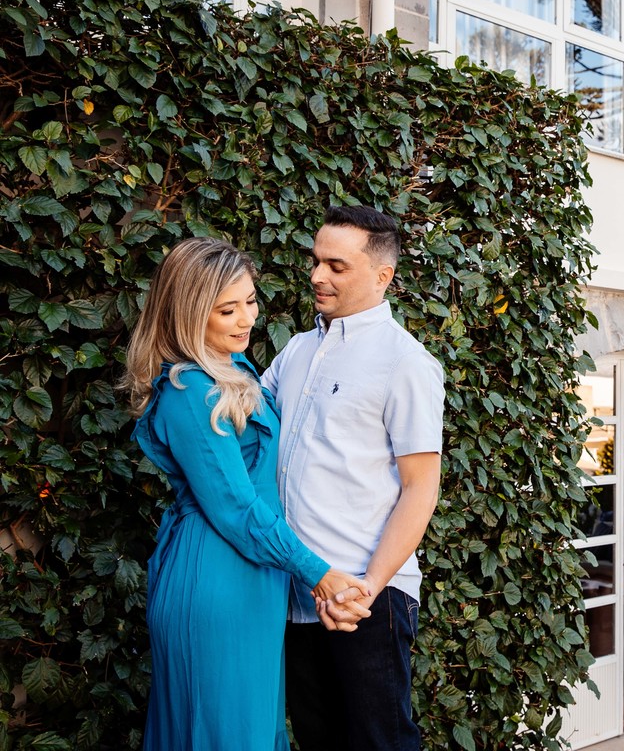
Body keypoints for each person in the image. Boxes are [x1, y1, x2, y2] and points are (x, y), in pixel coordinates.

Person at [123, 237, 371, 751]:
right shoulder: (191, 389)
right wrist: (319, 575)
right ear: (189, 315)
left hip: (255, 580)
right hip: (215, 578)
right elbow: (236, 508)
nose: (247, 319)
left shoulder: (234, 370)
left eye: (251, 301)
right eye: (227, 309)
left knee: (252, 732)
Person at [263, 206, 444, 751]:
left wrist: (369, 586)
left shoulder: (404, 362)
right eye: (317, 262)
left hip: (368, 597)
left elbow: (421, 487)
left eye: (336, 266)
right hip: (298, 593)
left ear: (381, 275)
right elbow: (247, 416)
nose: (318, 276)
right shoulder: (296, 349)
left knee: (378, 744)